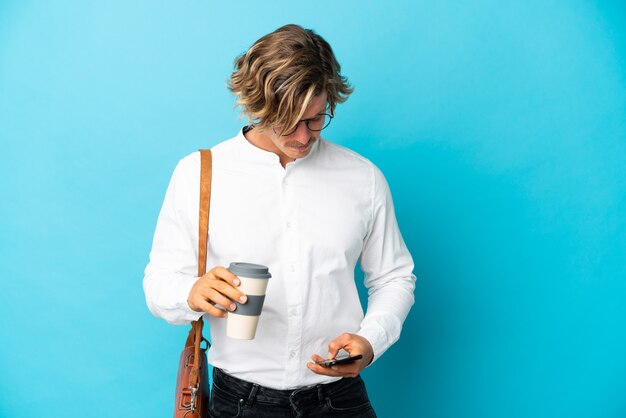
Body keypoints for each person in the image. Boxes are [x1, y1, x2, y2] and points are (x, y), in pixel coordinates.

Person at [143, 23, 416, 418]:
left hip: (339, 399)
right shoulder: (200, 173)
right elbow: (158, 282)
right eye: (288, 121)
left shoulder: (363, 178)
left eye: (316, 118)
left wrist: (371, 339)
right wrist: (192, 292)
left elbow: (395, 276)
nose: (304, 137)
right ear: (256, 106)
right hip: (240, 402)